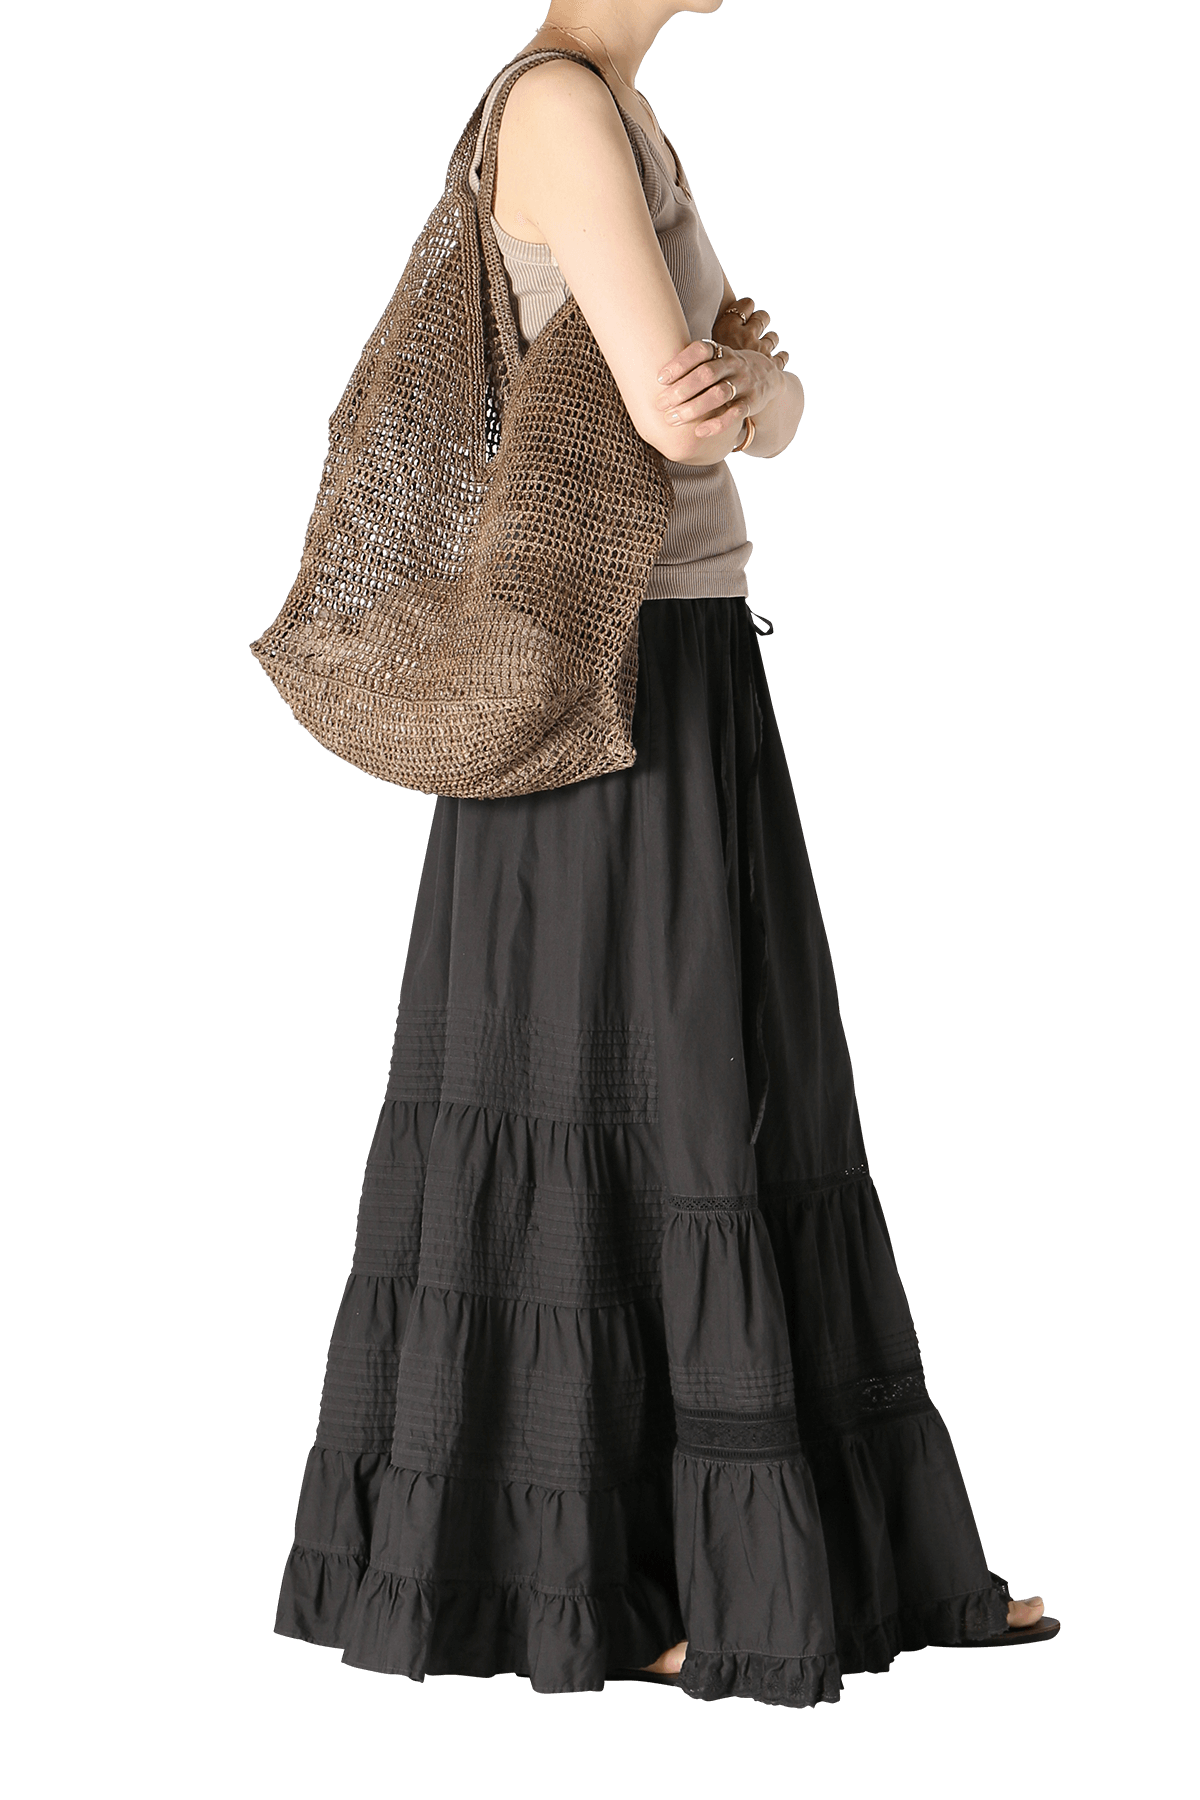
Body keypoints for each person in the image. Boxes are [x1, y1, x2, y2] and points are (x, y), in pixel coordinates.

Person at [273, 0, 1053, 1704]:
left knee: (727, 1094)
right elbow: (696, 412)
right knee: (640, 1096)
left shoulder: (621, 112)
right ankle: (595, 1589)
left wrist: (750, 391)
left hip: (679, 659)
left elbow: (754, 404)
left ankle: (816, 1567)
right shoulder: (560, 106)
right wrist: (751, 387)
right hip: (615, 674)